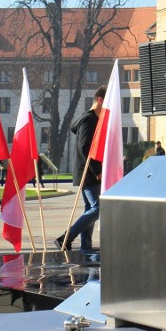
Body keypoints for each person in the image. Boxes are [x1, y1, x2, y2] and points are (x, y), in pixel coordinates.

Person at [56, 86, 106, 252]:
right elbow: (85, 147)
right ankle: (66, 237)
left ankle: (86, 246)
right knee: (98, 208)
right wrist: (97, 170)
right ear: (100, 100)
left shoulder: (93, 120)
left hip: (88, 172)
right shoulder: (89, 120)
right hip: (88, 172)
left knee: (90, 209)